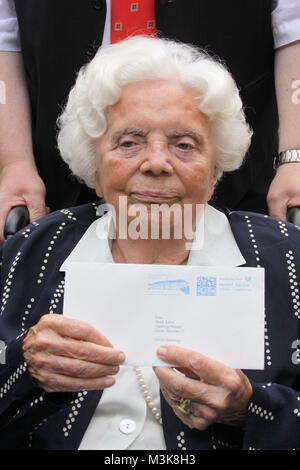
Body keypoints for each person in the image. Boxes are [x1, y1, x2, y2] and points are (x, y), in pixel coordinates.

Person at [0, 36, 299, 451]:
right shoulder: (29, 254)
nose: (156, 163)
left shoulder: (286, 257)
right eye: (129, 142)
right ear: (95, 164)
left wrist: (251, 408)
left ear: (216, 169)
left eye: (184, 145)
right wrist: (25, 373)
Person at [0, 1, 300, 243]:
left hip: (231, 185)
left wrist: (294, 156)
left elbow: (294, 28)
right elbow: (5, 37)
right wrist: (14, 162)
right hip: (56, 182)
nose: (155, 163)